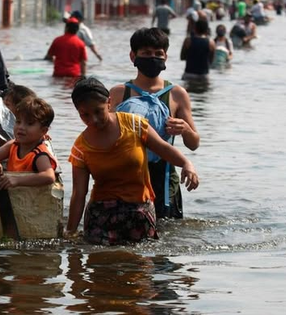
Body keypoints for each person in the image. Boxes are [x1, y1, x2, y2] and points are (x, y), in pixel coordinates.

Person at [66, 77, 199, 245]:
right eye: (85, 115)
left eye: (98, 111)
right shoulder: (81, 147)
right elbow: (79, 194)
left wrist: (187, 164)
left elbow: (164, 149)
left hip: (140, 213)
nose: (93, 120)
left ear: (109, 103)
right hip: (100, 218)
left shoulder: (134, 125)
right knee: (100, 268)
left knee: (140, 268)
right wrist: (70, 232)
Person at [108, 28, 200, 219]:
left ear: (166, 57)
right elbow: (101, 133)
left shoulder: (177, 94)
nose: (153, 57)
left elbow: (194, 143)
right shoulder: (119, 93)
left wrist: (184, 129)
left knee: (167, 237)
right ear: (133, 56)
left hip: (165, 180)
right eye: (146, 53)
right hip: (126, 175)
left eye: (158, 53)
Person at [0, 97, 58, 189]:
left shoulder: (39, 154)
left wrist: (18, 180)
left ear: (43, 131)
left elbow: (49, 176)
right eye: (18, 122)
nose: (21, 127)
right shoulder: (14, 145)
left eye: (29, 124)